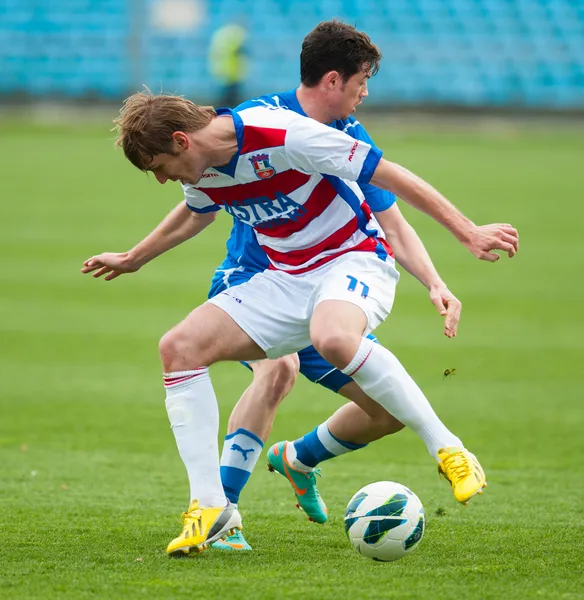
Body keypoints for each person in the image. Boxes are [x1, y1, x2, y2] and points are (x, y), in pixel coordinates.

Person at [83, 87, 518, 556]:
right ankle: (210, 508)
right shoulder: (199, 169)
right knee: (178, 347)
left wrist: (467, 231)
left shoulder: (281, 133)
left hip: (354, 260)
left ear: (182, 141)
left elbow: (387, 174)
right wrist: (134, 258)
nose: (163, 180)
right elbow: (195, 212)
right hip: (285, 277)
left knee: (331, 337)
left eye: (160, 169)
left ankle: (449, 449)